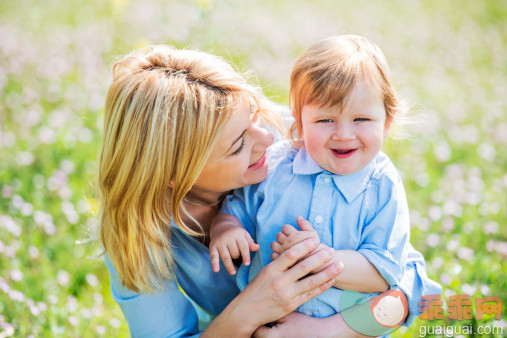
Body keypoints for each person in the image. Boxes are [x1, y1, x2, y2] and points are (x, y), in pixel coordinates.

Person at [99, 44, 438, 337]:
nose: (266, 139)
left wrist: (332, 331)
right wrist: (251, 308)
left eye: (255, 116)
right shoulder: (135, 234)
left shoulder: (305, 141)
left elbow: (413, 285)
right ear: (175, 174)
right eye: (237, 146)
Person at [210, 35, 441, 322]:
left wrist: (321, 258)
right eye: (325, 120)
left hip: (343, 326)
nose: (343, 134)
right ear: (299, 121)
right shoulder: (275, 167)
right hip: (266, 324)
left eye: (361, 120)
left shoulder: (382, 185)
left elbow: (383, 271)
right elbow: (234, 210)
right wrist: (225, 229)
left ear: (387, 120)